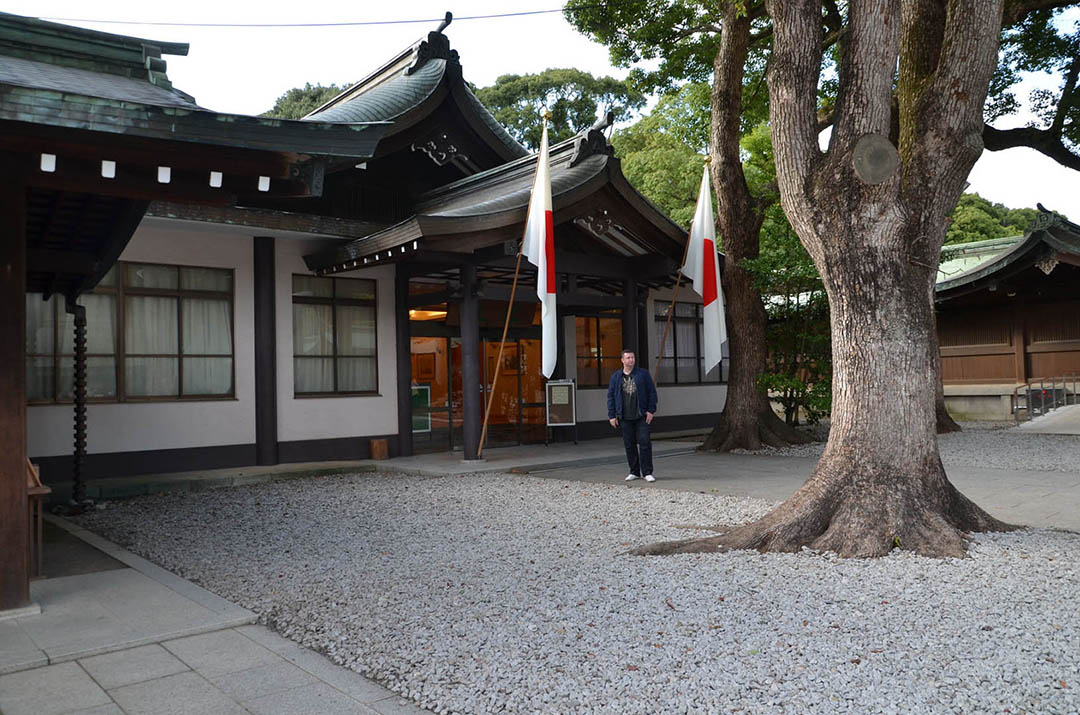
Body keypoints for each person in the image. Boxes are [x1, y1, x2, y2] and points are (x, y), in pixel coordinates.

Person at [606, 348, 658, 482]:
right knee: (629, 444)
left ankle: (647, 472)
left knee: (645, 442)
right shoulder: (616, 377)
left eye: (632, 357)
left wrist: (651, 410)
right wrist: (612, 415)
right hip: (624, 416)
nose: (631, 360)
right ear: (622, 360)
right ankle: (634, 471)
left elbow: (652, 393)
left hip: (641, 415)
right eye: (628, 358)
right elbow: (611, 397)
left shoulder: (643, 374)